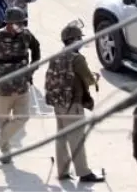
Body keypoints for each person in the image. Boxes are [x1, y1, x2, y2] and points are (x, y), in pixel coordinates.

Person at [0, 6, 41, 160]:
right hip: (3, 88)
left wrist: (32, 69)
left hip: (22, 86)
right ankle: (5, 152)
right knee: (2, 121)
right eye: (17, 23)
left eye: (22, 22)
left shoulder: (26, 35)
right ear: (8, 23)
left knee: (23, 117)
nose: (20, 25)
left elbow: (36, 49)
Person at [44, 21, 105, 183]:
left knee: (61, 137)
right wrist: (95, 77)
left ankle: (62, 171)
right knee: (77, 138)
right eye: (80, 38)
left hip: (59, 103)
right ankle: (84, 172)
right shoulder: (77, 58)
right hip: (73, 105)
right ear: (73, 40)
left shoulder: (56, 56)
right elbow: (89, 79)